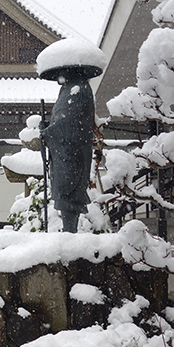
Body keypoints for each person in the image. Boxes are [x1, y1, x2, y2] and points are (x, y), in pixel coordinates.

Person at [40, 64, 99, 233]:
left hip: (72, 149)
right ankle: (68, 230)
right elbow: (60, 120)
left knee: (70, 191)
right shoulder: (67, 90)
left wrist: (49, 132)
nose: (59, 78)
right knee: (63, 191)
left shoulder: (79, 88)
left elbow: (69, 122)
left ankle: (70, 230)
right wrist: (48, 126)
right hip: (64, 149)